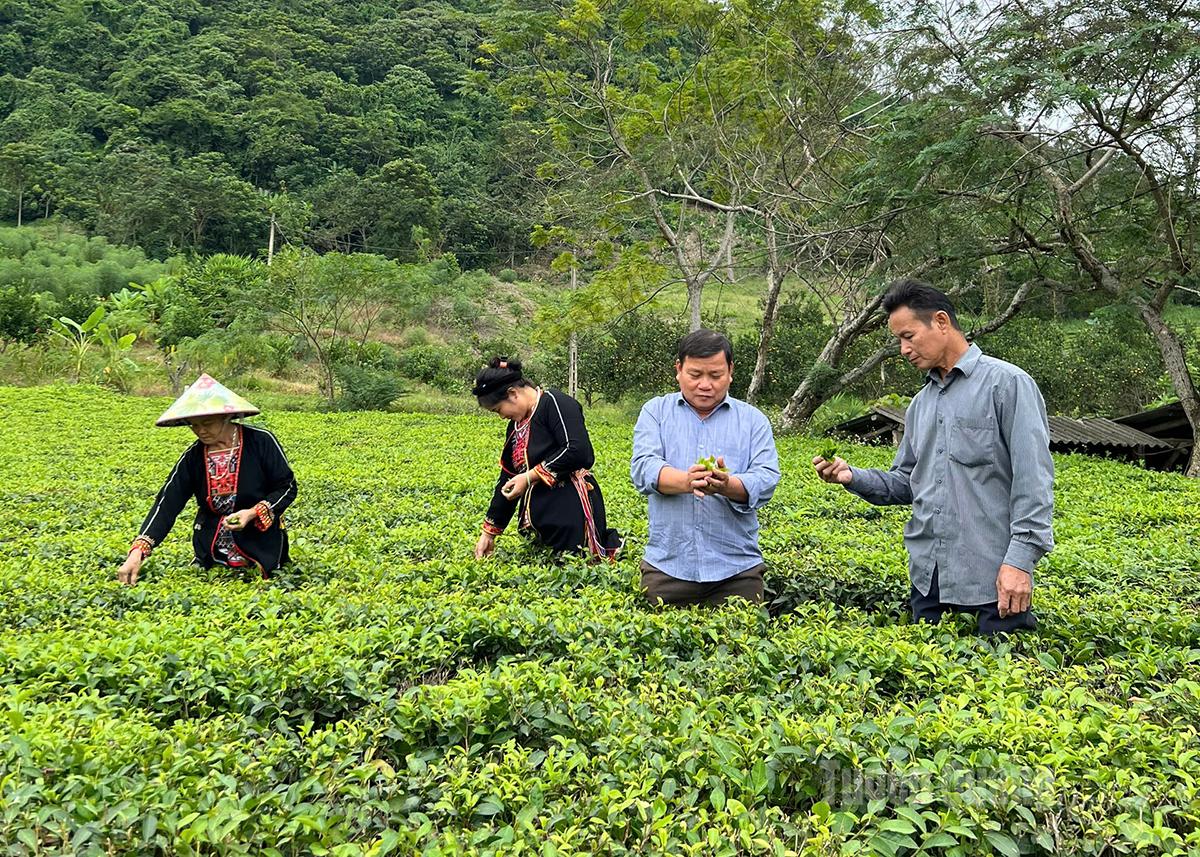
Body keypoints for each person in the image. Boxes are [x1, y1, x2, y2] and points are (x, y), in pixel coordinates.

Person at [813, 279, 1054, 633]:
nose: (903, 349)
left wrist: (1020, 562)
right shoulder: (920, 405)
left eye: (908, 336)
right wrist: (851, 475)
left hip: (995, 582)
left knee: (1003, 683)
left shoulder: (1007, 385)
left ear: (941, 322)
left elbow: (1034, 482)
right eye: (898, 340)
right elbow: (907, 483)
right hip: (928, 582)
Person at [631, 329, 780, 607]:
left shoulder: (753, 421)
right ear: (679, 369)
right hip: (666, 570)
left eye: (715, 375)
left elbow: (766, 478)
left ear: (731, 371)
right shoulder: (656, 412)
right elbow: (643, 468)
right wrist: (687, 481)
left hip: (738, 572)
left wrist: (727, 486)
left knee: (743, 647)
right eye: (695, 375)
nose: (705, 385)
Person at [117, 374, 298, 585]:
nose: (200, 431)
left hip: (260, 545)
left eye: (207, 423)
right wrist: (139, 550)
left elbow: (287, 486)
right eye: (193, 425)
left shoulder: (261, 442)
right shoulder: (193, 457)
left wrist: (252, 513)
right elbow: (167, 503)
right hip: (210, 551)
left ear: (225, 417)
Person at [473, 357, 621, 560]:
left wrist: (530, 476)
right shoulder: (516, 425)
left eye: (498, 410)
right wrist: (489, 532)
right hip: (540, 522)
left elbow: (579, 450)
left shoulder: (555, 403)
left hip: (571, 514)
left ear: (513, 394)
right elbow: (508, 476)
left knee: (573, 567)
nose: (501, 416)